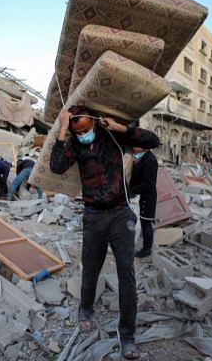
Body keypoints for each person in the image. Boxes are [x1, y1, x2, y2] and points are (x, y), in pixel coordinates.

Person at [50, 106, 158, 359]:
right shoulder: (74, 145)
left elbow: (152, 141)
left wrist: (121, 127)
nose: (83, 134)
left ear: (95, 123)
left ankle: (127, 336)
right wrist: (64, 127)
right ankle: (85, 309)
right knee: (91, 266)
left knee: (126, 273)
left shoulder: (113, 137)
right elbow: (56, 166)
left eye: (86, 129)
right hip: (93, 216)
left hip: (120, 213)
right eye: (79, 132)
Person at [129, 147, 158, 258]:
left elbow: (148, 183)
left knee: (146, 223)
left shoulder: (150, 160)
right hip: (142, 195)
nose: (135, 148)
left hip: (147, 196)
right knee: (144, 221)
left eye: (137, 146)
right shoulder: (143, 158)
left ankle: (147, 249)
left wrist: (131, 190)